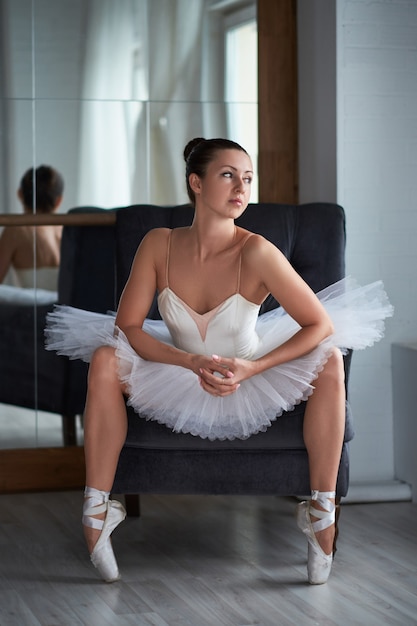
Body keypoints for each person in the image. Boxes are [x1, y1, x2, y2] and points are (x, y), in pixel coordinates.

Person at [45, 138, 393, 585]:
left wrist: (253, 368)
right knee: (104, 358)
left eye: (247, 178)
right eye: (228, 175)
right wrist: (188, 361)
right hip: (178, 367)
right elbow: (129, 329)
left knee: (327, 360)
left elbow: (319, 324)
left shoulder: (258, 250)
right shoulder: (159, 244)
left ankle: (321, 514)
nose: (241, 188)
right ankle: (96, 509)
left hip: (250, 371)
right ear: (196, 182)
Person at [0, 165, 64, 290]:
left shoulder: (14, 231)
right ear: (59, 201)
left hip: (33, 309)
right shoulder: (69, 230)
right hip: (71, 309)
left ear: (19, 194)